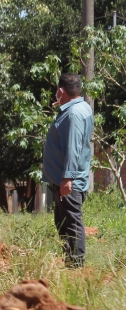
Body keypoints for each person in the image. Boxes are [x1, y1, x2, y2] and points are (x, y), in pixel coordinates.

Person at [42, 73, 93, 268]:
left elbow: (73, 148)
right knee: (64, 222)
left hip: (68, 181)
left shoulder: (73, 114)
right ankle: (71, 261)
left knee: (72, 223)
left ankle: (76, 266)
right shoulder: (80, 108)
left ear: (61, 91)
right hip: (69, 179)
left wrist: (67, 178)